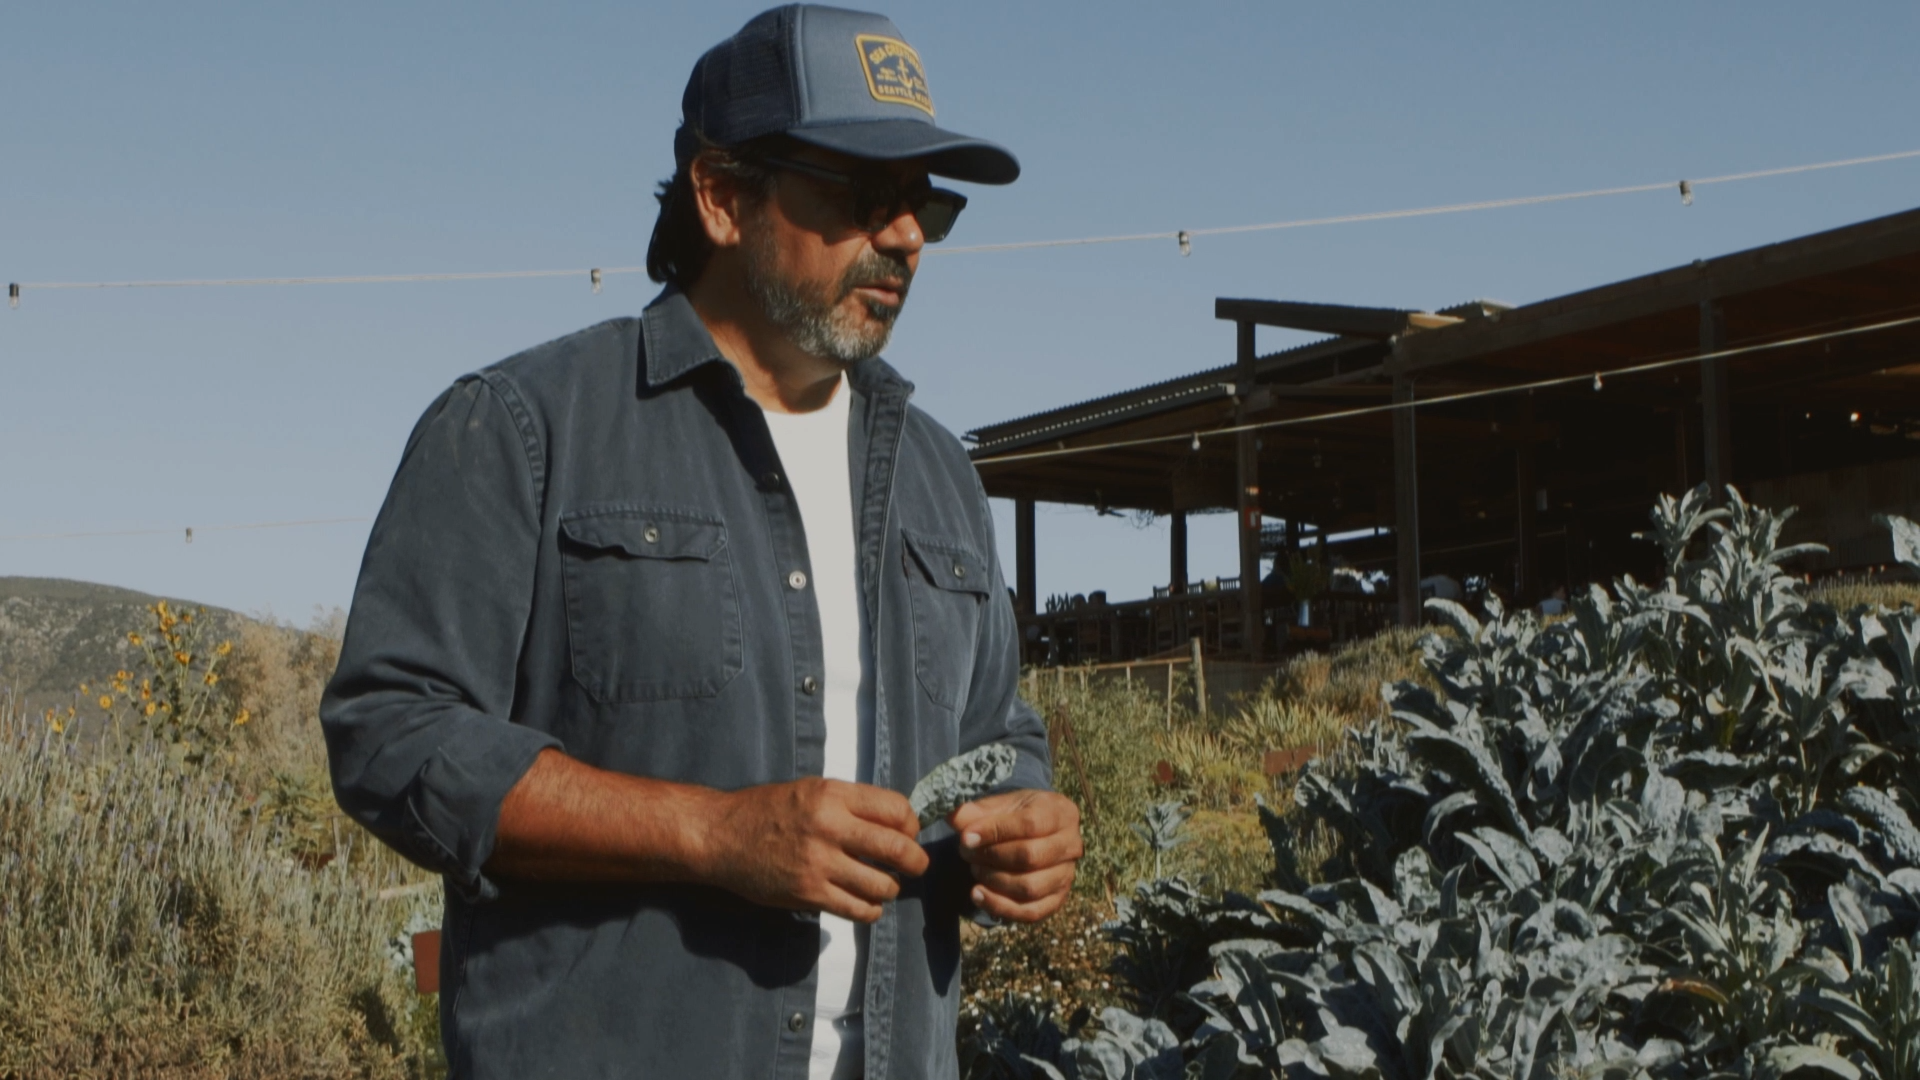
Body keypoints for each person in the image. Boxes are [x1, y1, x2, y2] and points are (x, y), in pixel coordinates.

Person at [318, 8, 1082, 1079]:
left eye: (928, 205)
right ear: (722, 196)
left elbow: (1001, 732)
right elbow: (391, 733)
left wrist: (1027, 827)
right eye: (865, 195)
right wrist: (712, 833)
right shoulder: (524, 428)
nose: (907, 236)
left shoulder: (941, 477)